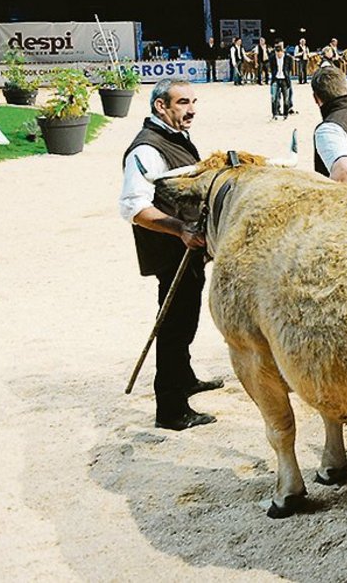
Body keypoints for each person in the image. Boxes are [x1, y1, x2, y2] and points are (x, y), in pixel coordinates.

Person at [118, 79, 220, 431]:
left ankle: (185, 377)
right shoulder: (146, 149)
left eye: (193, 101)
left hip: (187, 249)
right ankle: (171, 409)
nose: (191, 109)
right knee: (174, 326)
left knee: (185, 318)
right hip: (171, 251)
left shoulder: (175, 137)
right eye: (182, 103)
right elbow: (133, 207)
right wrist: (180, 229)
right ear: (161, 107)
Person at [267, 40, 294, 119]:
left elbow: (290, 68)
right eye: (277, 53)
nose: (278, 55)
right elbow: (271, 68)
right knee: (274, 97)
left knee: (286, 98)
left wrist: (286, 75)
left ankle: (285, 114)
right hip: (275, 79)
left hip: (285, 80)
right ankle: (274, 114)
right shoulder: (272, 58)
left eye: (280, 53)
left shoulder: (288, 58)